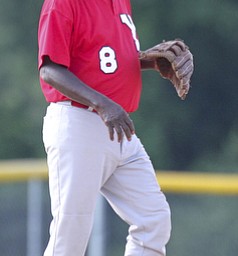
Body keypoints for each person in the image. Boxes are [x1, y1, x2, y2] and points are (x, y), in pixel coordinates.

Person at [38, 0, 171, 255]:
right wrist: (102, 104)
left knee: (153, 220)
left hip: (119, 127)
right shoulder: (62, 3)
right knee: (71, 233)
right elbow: (50, 69)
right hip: (79, 122)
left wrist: (148, 61)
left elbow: (103, 59)